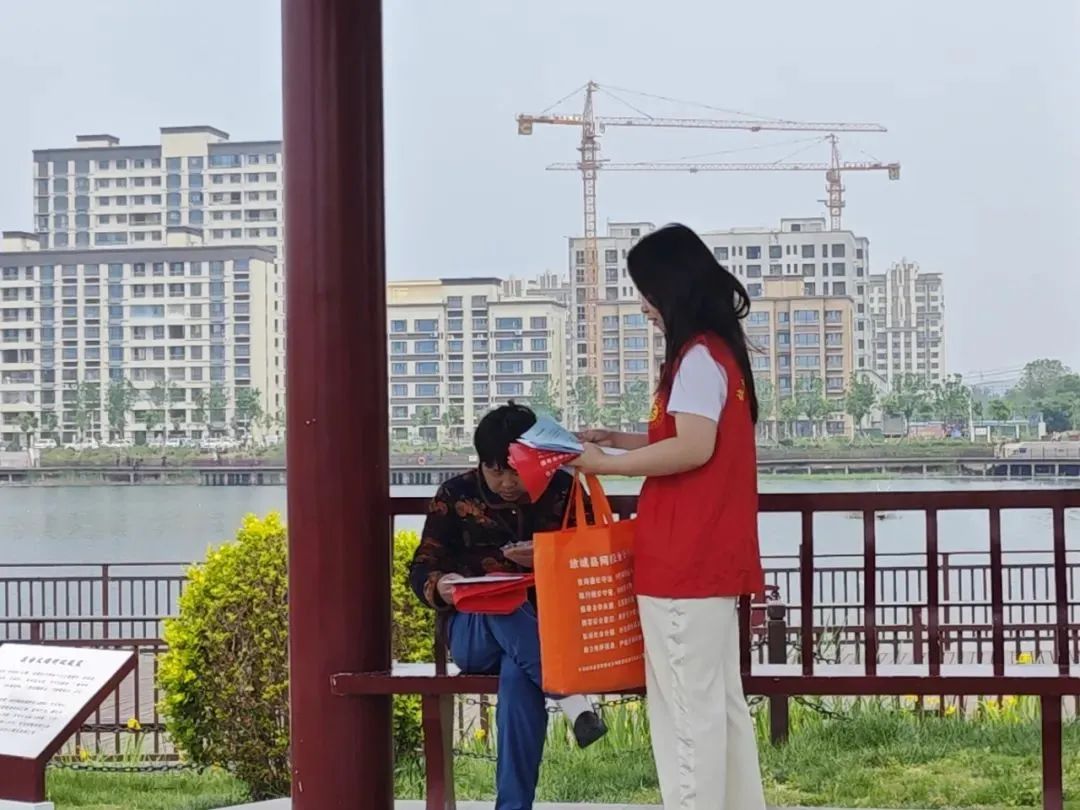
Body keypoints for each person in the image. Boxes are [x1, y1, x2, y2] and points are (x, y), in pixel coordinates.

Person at [572, 223, 767, 809]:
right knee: (718, 708)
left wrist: (605, 464)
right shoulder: (718, 353)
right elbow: (691, 439)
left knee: (685, 716)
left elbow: (693, 448)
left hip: (683, 560)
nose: (644, 307)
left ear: (672, 289)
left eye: (647, 293)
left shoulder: (695, 358)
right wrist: (620, 440)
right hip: (709, 557)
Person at [409, 401, 607, 810]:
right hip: (473, 633)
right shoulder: (455, 494)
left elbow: (595, 560)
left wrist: (547, 558)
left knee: (518, 675)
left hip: (544, 634)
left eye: (516, 470)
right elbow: (423, 566)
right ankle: (571, 699)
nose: (506, 482)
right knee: (500, 603)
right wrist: (441, 586)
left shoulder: (563, 491)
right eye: (495, 470)